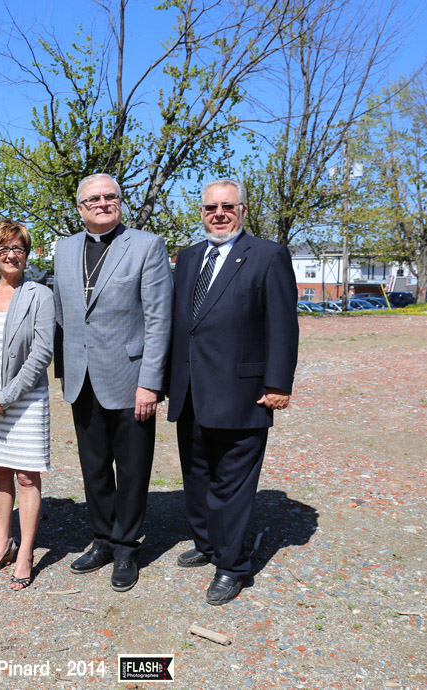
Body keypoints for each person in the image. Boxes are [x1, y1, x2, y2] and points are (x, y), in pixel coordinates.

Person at [166, 178, 299, 605]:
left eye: (227, 206)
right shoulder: (188, 258)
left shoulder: (267, 255)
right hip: (190, 392)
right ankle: (208, 544)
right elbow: (181, 324)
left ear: (242, 210)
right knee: (198, 476)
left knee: (234, 484)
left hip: (242, 393)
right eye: (210, 208)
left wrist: (279, 383)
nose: (218, 214)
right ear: (201, 212)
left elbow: (283, 323)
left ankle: (232, 565)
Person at [52, 173, 173, 592]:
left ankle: (126, 546)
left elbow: (159, 319)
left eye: (111, 196)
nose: (104, 202)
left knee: (134, 469)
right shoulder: (64, 249)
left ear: (120, 202)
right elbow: (65, 315)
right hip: (82, 379)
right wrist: (67, 368)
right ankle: (102, 538)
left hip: (130, 377)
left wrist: (151, 382)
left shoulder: (146, 245)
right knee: (94, 467)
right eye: (95, 198)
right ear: (80, 207)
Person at [0, 220, 55, 590]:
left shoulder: (40, 295)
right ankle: (3, 543)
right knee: (0, 474)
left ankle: (26, 551)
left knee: (25, 476)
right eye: (3, 248)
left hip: (24, 398)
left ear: (27, 252)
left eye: (18, 248)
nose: (11, 254)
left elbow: (42, 353)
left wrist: (7, 396)